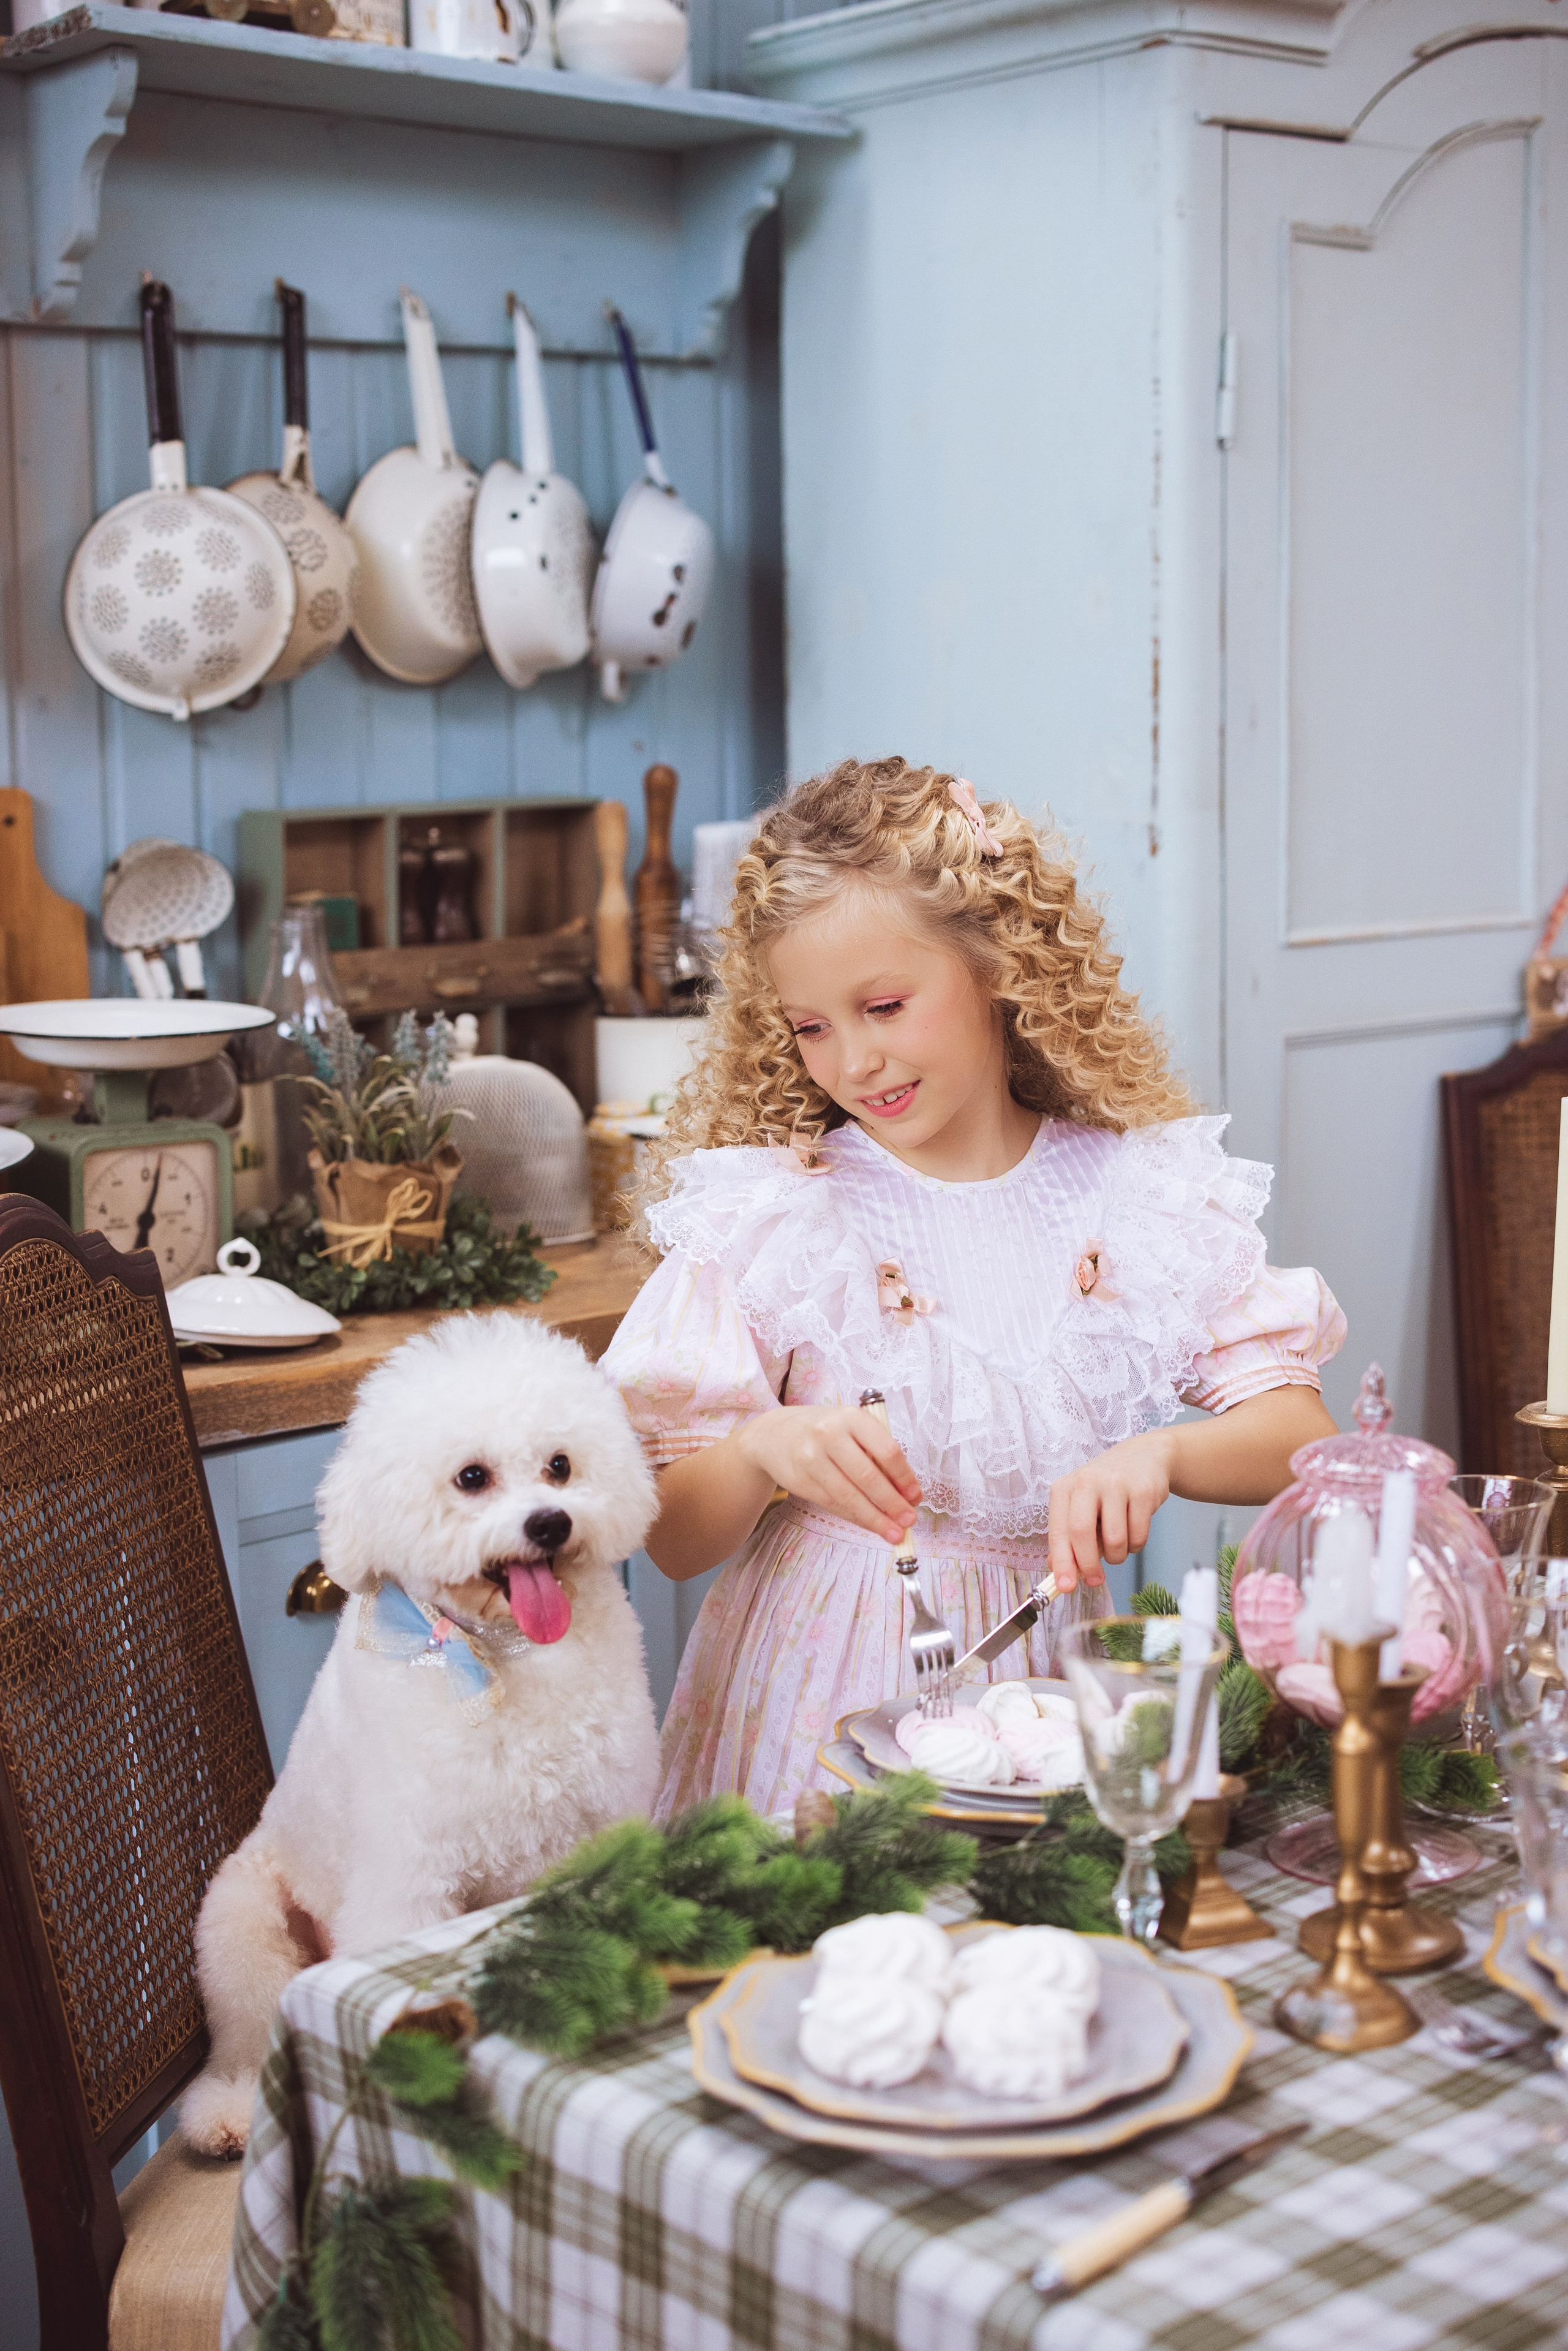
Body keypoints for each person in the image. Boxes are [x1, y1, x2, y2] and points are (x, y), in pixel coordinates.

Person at [601, 758, 1344, 1819]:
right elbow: (672, 1539)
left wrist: (1165, 1452)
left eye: (886, 1006)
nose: (854, 1061)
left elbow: (1296, 1433)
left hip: (1045, 1700)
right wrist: (765, 1450)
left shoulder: (1131, 1192)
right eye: (811, 1027)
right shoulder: (782, 1211)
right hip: (814, 1707)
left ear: (997, 962)